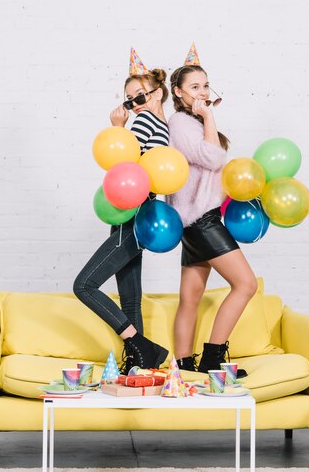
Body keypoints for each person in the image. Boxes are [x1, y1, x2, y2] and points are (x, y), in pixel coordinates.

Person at [73, 49, 169, 374]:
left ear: (157, 92)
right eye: (128, 100)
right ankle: (139, 368)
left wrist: (117, 127)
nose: (133, 104)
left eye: (138, 96)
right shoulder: (163, 125)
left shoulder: (145, 120)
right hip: (137, 216)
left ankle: (140, 345)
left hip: (132, 213)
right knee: (130, 301)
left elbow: (125, 164)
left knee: (83, 285)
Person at [166, 43, 257, 375]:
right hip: (201, 220)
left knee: (190, 298)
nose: (202, 91)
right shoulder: (181, 122)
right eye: (194, 87)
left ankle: (184, 369)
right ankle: (213, 359)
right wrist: (208, 115)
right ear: (177, 92)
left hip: (195, 219)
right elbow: (213, 157)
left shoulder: (192, 121)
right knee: (246, 284)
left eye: (205, 85)